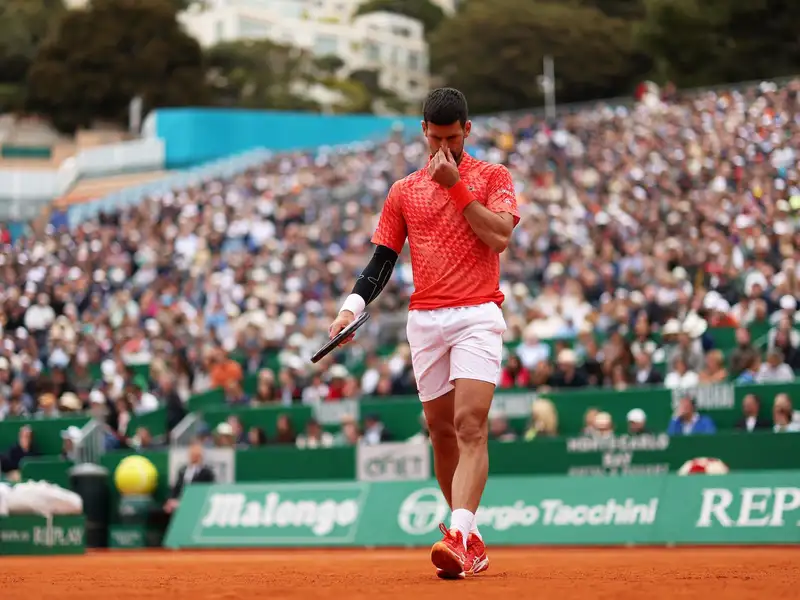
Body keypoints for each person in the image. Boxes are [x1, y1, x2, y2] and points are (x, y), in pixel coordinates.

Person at [328, 88, 518, 579]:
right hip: (425, 320)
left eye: (452, 139)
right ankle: (468, 538)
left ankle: (457, 534)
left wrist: (457, 186)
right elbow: (382, 259)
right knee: (441, 433)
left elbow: (499, 235)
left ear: (467, 131)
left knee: (471, 424)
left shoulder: (492, 176)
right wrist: (351, 308)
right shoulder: (403, 190)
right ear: (423, 132)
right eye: (436, 139)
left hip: (477, 312)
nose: (443, 149)